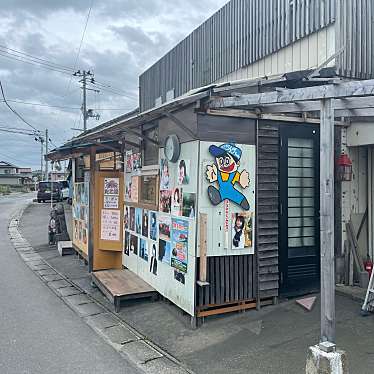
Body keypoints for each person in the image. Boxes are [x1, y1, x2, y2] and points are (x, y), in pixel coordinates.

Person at [206, 143, 250, 210]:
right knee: (217, 198)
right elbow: (213, 176)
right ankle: (217, 198)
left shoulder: (235, 174)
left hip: (232, 193)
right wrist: (212, 174)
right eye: (220, 161)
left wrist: (243, 180)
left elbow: (241, 180)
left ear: (237, 163)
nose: (223, 164)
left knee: (242, 201)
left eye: (226, 161)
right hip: (221, 193)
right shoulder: (218, 172)